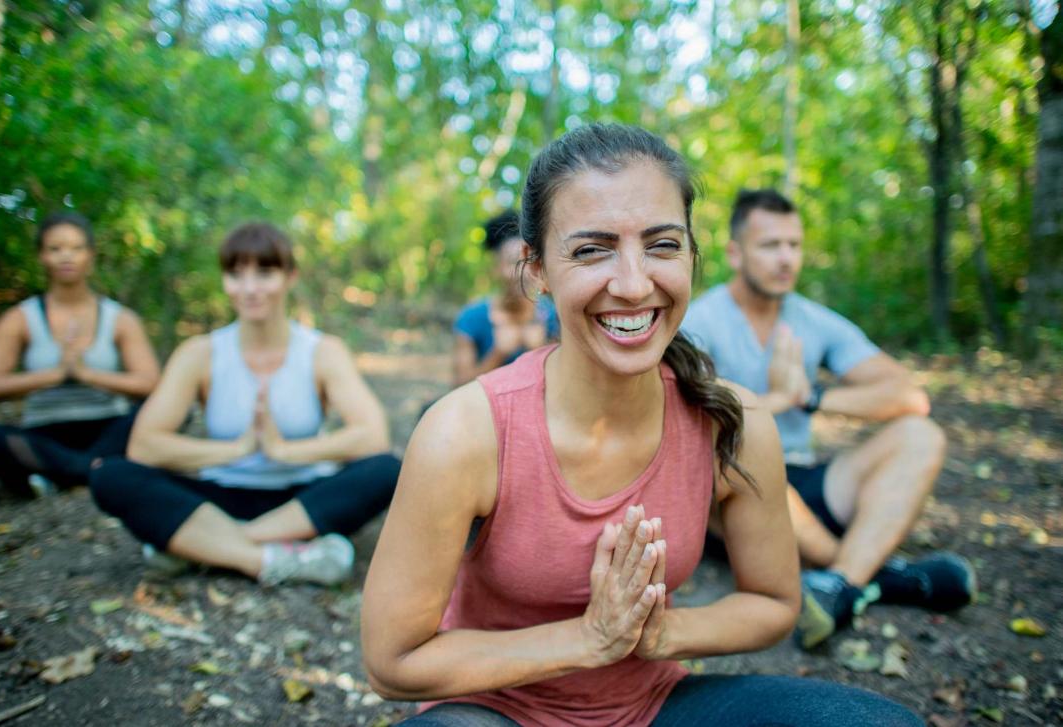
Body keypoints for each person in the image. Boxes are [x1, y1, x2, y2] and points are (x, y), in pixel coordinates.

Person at [362, 125, 922, 726]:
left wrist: (657, 634)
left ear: (691, 255)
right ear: (537, 269)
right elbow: (394, 660)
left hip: (652, 708)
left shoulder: (731, 421)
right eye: (591, 250)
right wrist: (590, 639)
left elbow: (774, 602)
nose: (633, 284)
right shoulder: (465, 431)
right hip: (490, 713)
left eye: (661, 245)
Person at [681, 189, 975, 649]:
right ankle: (879, 577)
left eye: (794, 245)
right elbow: (690, 425)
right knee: (726, 456)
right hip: (736, 498)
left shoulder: (813, 320)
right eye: (770, 245)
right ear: (736, 253)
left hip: (810, 485)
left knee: (920, 435)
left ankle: (839, 583)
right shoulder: (700, 321)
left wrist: (813, 397)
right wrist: (776, 400)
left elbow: (907, 395)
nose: (786, 259)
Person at [89, 222, 400, 586]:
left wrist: (283, 450)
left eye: (265, 273)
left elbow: (372, 436)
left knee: (386, 468)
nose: (250, 288)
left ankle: (200, 545)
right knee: (110, 474)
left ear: (290, 276)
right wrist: (237, 449)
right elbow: (145, 445)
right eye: (236, 275)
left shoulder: (323, 352)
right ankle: (267, 558)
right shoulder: (199, 353)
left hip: (301, 499)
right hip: (219, 497)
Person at [0, 211, 159, 495]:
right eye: (55, 249)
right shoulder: (20, 318)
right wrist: (56, 375)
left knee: (161, 411)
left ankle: (58, 475)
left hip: (109, 428)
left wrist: (87, 374)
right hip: (43, 434)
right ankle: (92, 470)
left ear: (91, 255)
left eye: (76, 248)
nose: (66, 257)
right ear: (41, 257)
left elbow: (150, 384)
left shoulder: (120, 318)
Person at [452, 210, 559, 386]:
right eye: (511, 262)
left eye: (527, 261)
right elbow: (457, 388)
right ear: (495, 268)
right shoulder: (471, 318)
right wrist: (498, 353)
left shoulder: (553, 316)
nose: (520, 272)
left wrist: (540, 352)